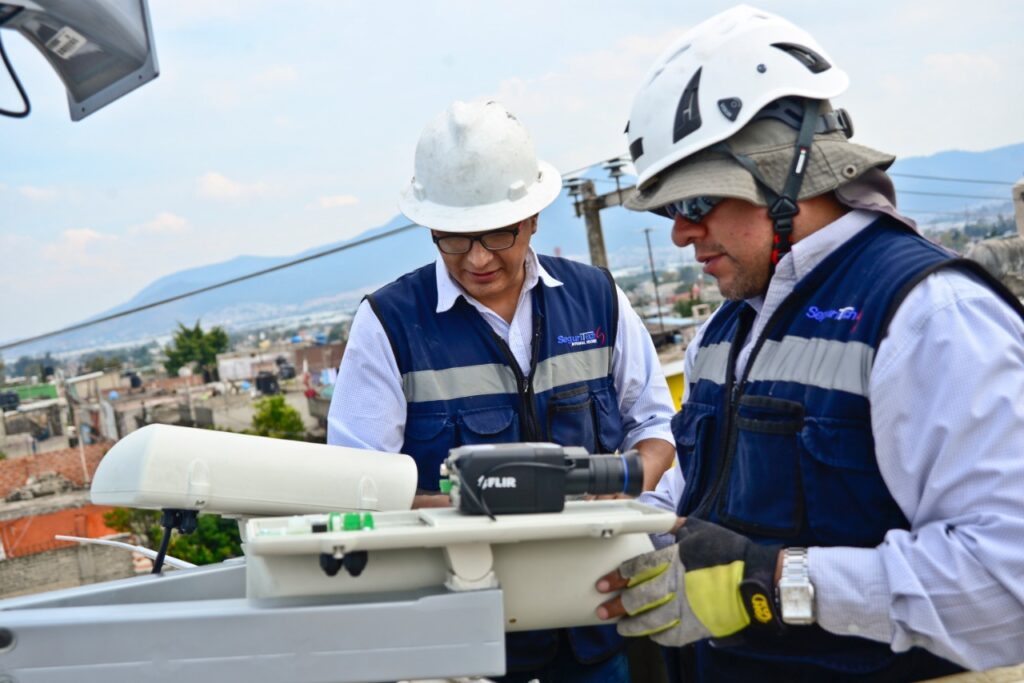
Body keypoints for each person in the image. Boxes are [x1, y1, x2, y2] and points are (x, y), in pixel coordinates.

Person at [593, 6, 1024, 682]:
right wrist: (600, 530)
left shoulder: (930, 317)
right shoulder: (725, 330)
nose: (680, 232)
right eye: (671, 209)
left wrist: (770, 584)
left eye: (696, 202)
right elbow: (689, 496)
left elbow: (1006, 583)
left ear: (783, 175)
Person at [328, 99, 677, 682]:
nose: (478, 258)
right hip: (464, 639)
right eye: (454, 240)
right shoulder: (390, 324)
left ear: (533, 217)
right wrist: (476, 507)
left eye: (497, 235)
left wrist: (627, 482)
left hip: (594, 617)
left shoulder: (596, 299)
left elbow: (656, 426)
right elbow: (359, 486)